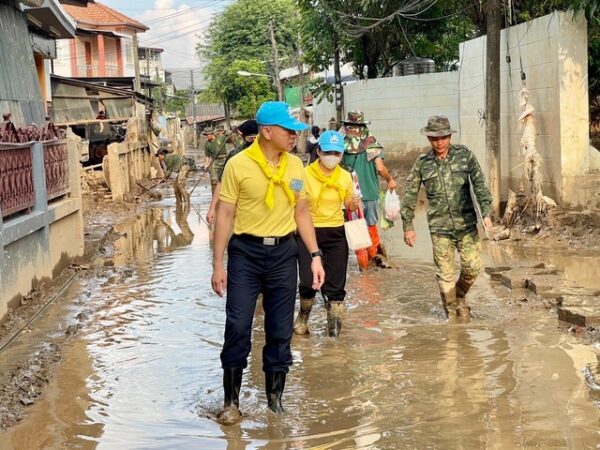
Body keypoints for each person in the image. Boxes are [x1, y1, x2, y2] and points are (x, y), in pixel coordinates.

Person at [211, 101, 325, 423]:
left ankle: (275, 402)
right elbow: (226, 213)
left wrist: (315, 256)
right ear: (266, 131)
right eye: (288, 131)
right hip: (245, 254)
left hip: (283, 255)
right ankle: (231, 403)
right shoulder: (238, 165)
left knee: (279, 331)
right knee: (237, 326)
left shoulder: (295, 166)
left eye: (295, 131)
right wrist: (218, 263)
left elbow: (301, 211)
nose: (294, 136)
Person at [400, 116, 493, 321]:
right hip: (439, 228)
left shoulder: (465, 156)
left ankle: (460, 295)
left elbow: (480, 186)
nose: (439, 143)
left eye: (443, 137)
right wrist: (408, 225)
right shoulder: (422, 164)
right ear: (428, 139)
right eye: (434, 139)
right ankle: (452, 319)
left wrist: (486, 214)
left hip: (466, 225)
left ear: (450, 136)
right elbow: (410, 194)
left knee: (473, 267)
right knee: (445, 276)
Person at [294, 130, 359, 337]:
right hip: (307, 233)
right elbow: (292, 200)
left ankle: (334, 332)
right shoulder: (302, 174)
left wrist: (353, 203)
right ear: (319, 151)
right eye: (328, 152)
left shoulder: (346, 176)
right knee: (307, 281)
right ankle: (303, 318)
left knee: (336, 284)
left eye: (337, 153)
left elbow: (348, 204)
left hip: (336, 234)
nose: (332, 157)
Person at [341, 111, 396, 270]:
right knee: (371, 228)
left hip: (351, 198)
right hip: (371, 194)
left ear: (347, 125)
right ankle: (375, 264)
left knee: (357, 234)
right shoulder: (371, 142)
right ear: (363, 125)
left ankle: (364, 271)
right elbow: (380, 168)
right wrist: (390, 179)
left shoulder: (341, 144)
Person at [206, 119, 258, 226]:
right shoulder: (235, 155)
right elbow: (221, 183)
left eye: (256, 138)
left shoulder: (271, 155)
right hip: (241, 207)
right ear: (244, 138)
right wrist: (212, 208)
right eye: (250, 138)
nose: (253, 142)